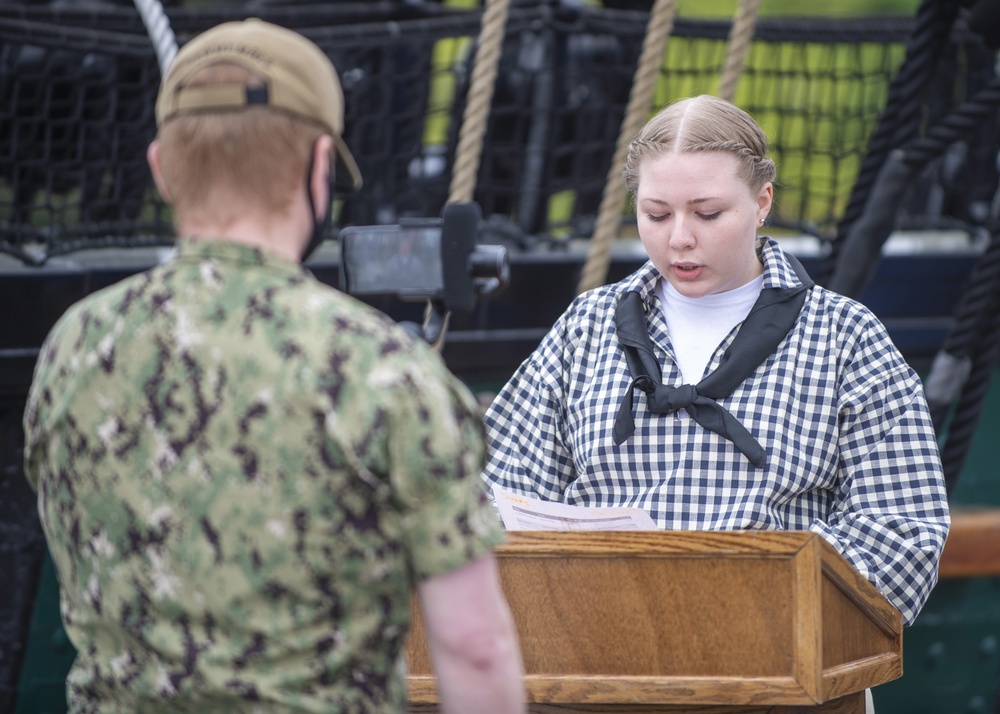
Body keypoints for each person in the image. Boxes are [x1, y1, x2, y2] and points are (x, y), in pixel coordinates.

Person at [23, 19, 525, 714]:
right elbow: (475, 648)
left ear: (162, 168)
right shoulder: (381, 369)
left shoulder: (72, 345)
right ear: (321, 166)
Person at [482, 95, 950, 632]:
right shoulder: (586, 325)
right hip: (596, 649)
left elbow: (904, 534)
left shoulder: (846, 337)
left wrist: (749, 592)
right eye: (655, 214)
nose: (680, 237)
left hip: (776, 662)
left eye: (708, 214)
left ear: (762, 201)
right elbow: (499, 489)